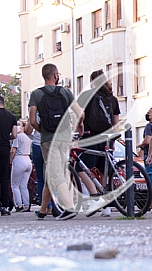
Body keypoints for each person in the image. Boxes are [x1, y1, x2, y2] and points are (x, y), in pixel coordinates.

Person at [28, 63, 82, 220]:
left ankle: (70, 207)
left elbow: (32, 120)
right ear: (55, 75)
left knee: (55, 172)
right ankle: (43, 209)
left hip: (48, 139)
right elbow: (80, 113)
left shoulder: (36, 94)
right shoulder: (66, 92)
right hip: (64, 137)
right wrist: (77, 127)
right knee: (52, 173)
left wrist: (42, 131)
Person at [79, 69, 122, 186]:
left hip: (90, 137)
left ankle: (93, 192)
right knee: (105, 169)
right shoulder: (112, 98)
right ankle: (105, 193)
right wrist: (113, 139)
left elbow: (77, 115)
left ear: (92, 81)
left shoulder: (86, 95)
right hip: (106, 138)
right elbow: (116, 122)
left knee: (80, 168)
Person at [0, 94, 18, 215]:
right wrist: (6, 137)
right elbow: (15, 134)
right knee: (4, 177)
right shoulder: (11, 116)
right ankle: (5, 206)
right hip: (4, 147)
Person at [10, 122, 33, 211]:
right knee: (24, 185)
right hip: (28, 159)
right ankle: (27, 204)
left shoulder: (17, 137)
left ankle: (19, 204)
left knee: (15, 185)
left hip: (19, 159)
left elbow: (13, 150)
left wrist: (10, 161)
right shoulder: (28, 138)